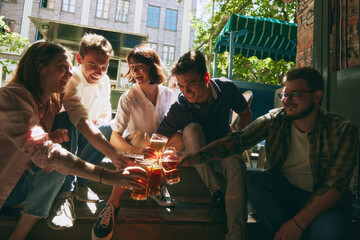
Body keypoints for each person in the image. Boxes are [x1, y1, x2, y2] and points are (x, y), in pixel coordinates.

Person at [179, 67, 359, 240]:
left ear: (317, 96)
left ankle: (290, 231)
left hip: (325, 204)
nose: (287, 100)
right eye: (285, 94)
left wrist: (297, 224)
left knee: (329, 230)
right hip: (286, 195)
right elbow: (238, 141)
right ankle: (286, 232)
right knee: (255, 180)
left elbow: (335, 189)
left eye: (295, 94)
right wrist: (197, 156)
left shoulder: (343, 131)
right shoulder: (275, 120)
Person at [0, 41, 148, 240]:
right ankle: (65, 194)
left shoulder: (55, 98)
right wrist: (110, 176)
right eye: (63, 68)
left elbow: (81, 119)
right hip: (6, 186)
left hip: (22, 183)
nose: (70, 74)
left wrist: (113, 154)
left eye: (70, 68)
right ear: (40, 67)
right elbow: (45, 150)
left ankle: (25, 230)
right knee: (55, 156)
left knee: (63, 140)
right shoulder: (12, 97)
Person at [157, 50, 252, 240]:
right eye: (181, 86)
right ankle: (217, 191)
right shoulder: (180, 107)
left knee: (236, 164)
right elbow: (158, 137)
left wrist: (239, 140)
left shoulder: (227, 89)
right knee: (191, 129)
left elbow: (245, 113)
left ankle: (236, 236)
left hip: (221, 150)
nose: (186, 92)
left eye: (191, 84)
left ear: (206, 77)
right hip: (195, 154)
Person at [91, 44, 179, 240]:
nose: (134, 71)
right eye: (132, 67)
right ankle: (112, 205)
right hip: (134, 147)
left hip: (159, 151)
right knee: (142, 137)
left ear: (153, 66)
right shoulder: (128, 97)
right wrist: (137, 151)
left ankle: (156, 185)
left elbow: (173, 131)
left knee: (179, 137)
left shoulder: (169, 95)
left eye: (139, 66)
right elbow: (114, 137)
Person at [47, 33, 115, 230]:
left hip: (86, 140)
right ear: (79, 59)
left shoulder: (105, 81)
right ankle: (66, 194)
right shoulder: (71, 77)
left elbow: (105, 114)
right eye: (93, 65)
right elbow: (76, 114)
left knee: (110, 127)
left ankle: (79, 183)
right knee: (70, 120)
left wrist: (102, 121)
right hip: (64, 139)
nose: (99, 72)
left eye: (104, 67)